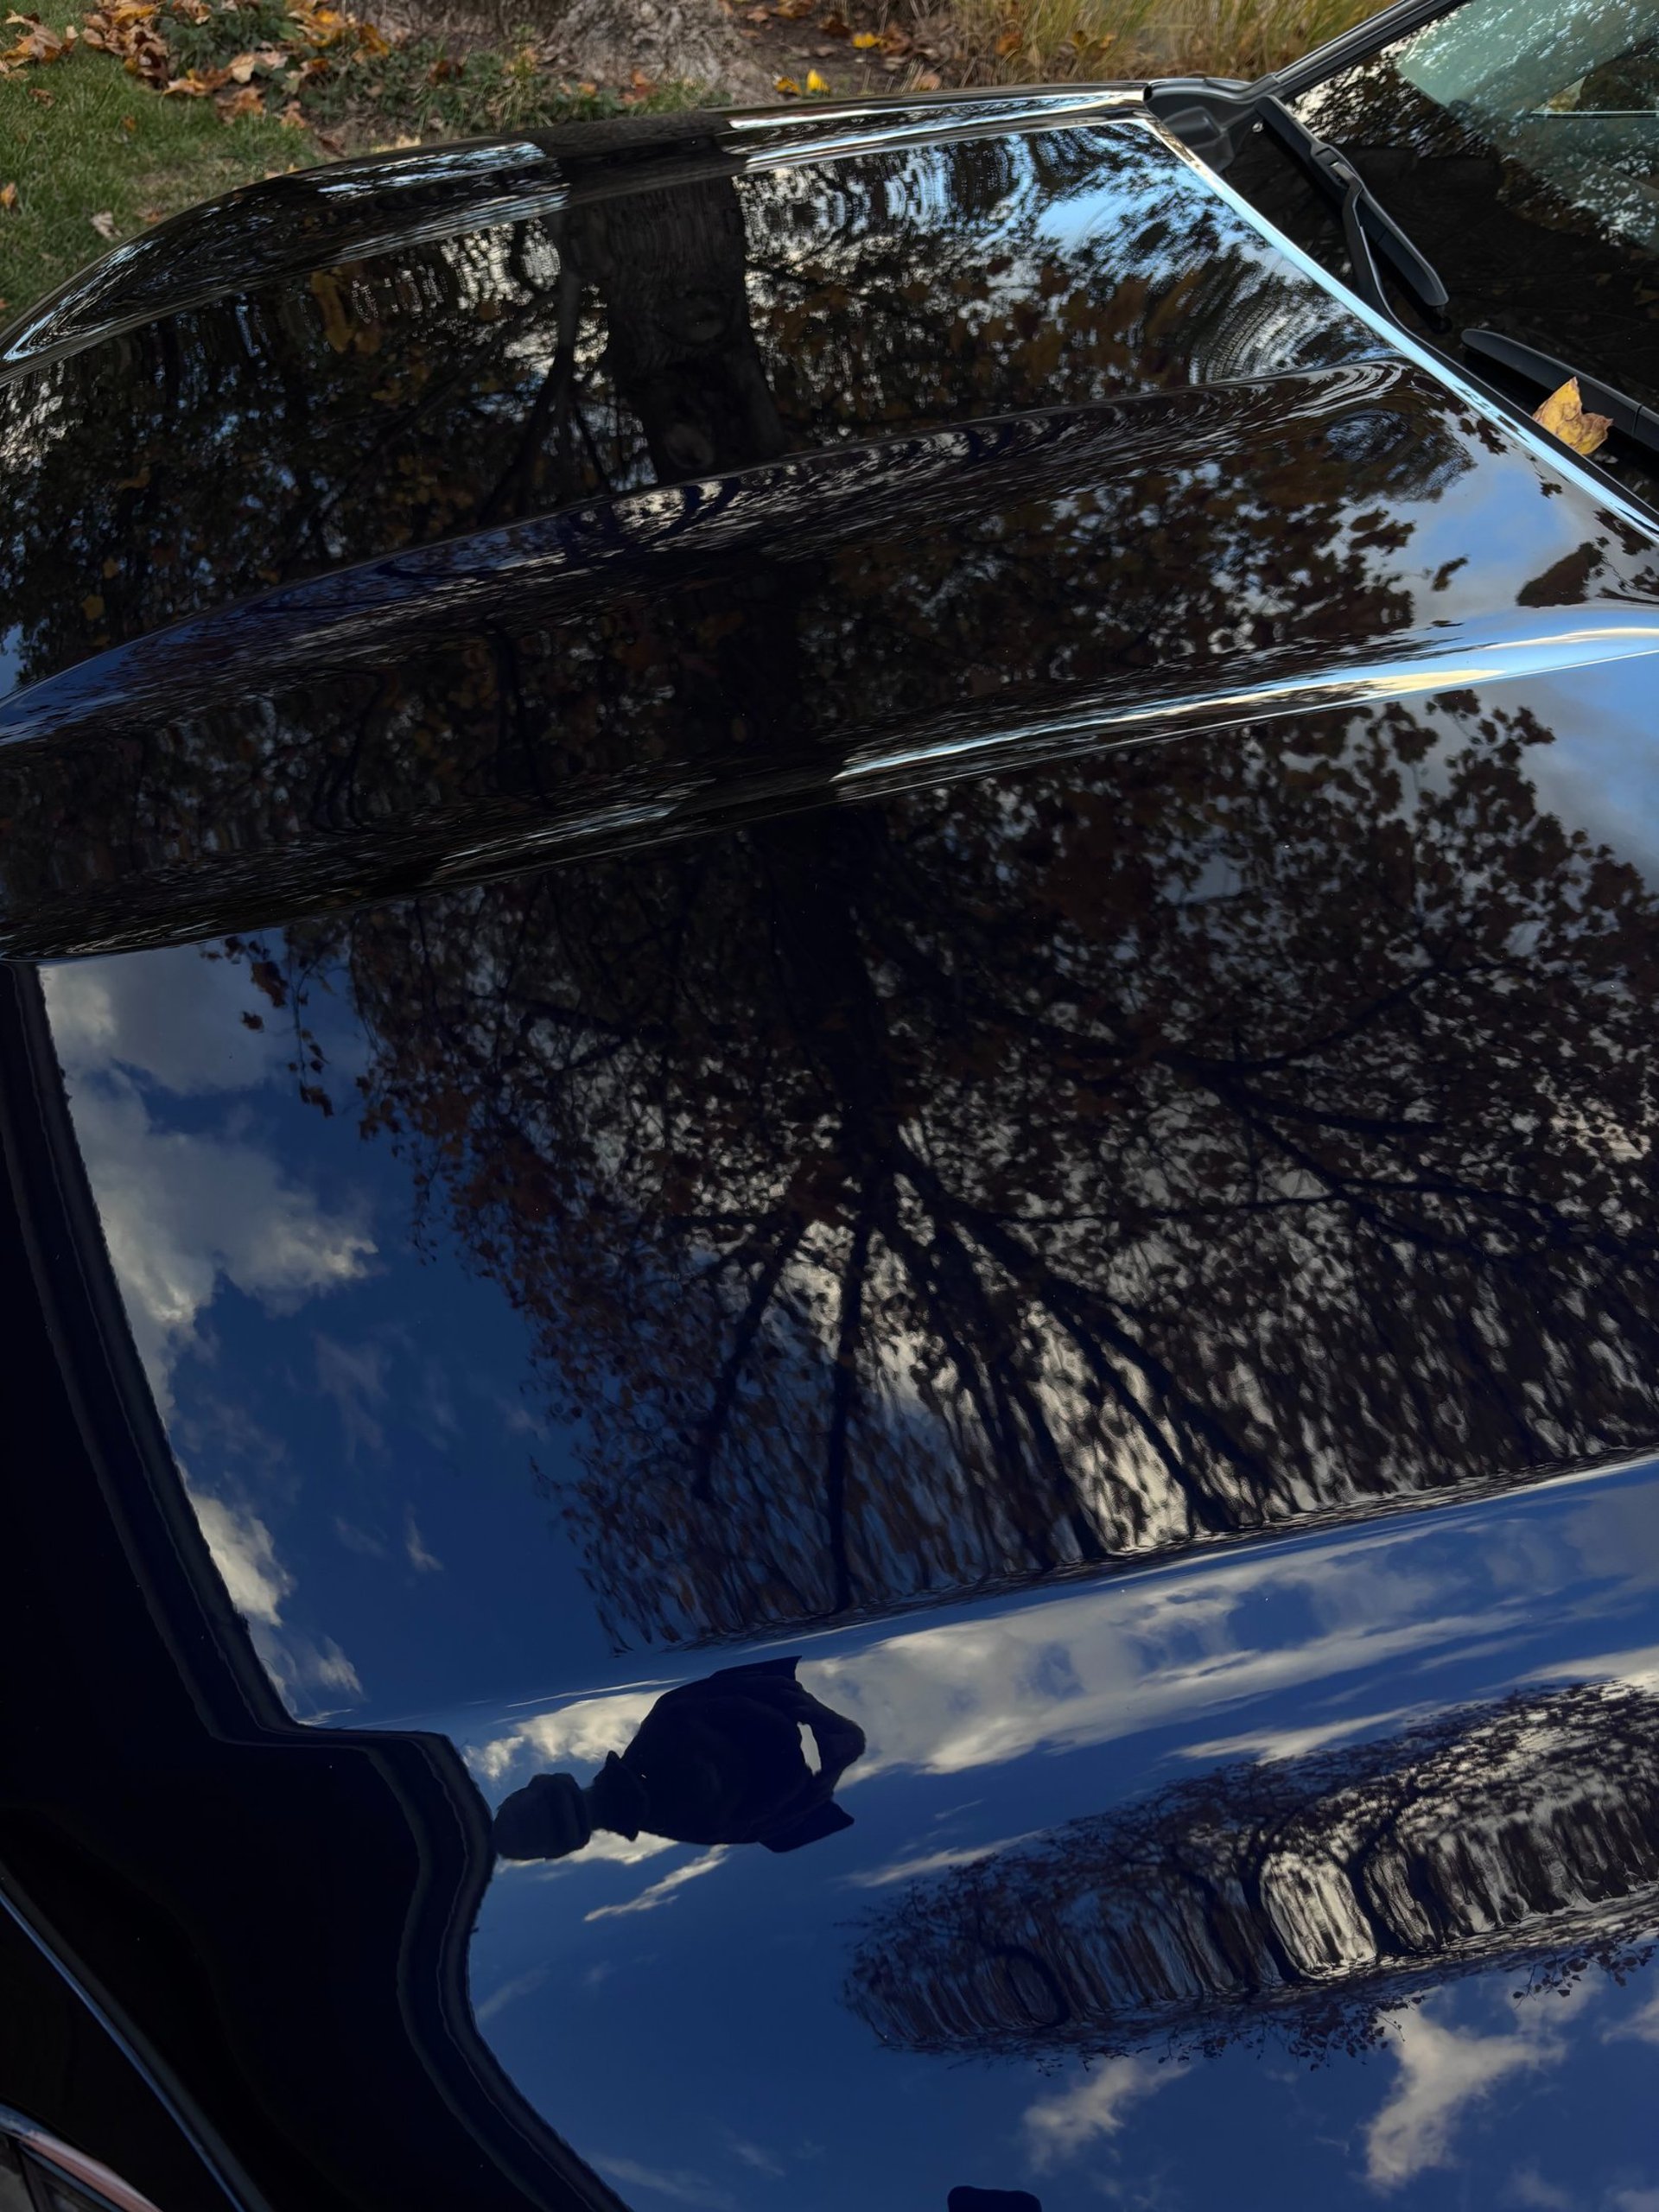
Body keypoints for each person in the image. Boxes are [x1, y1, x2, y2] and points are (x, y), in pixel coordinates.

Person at [493, 1656, 866, 1860]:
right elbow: (786, 1818)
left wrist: (833, 1755)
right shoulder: (671, 1716)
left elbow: (787, 1819)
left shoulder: (672, 1718)